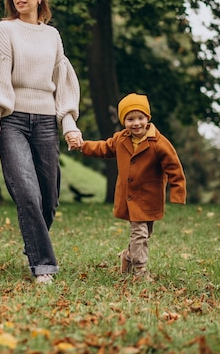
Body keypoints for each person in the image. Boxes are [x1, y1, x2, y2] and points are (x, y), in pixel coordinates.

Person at [0, 0, 83, 285]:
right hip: (13, 121)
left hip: (45, 123)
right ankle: (43, 266)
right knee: (26, 192)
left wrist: (69, 123)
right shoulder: (5, 30)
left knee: (48, 199)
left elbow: (62, 81)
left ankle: (34, 244)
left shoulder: (52, 36)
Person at [79, 93, 187, 280]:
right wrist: (83, 146)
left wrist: (178, 192)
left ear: (148, 119)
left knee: (146, 233)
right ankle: (140, 270)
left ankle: (127, 256)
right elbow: (104, 148)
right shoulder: (121, 139)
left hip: (149, 196)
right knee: (139, 234)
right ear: (123, 122)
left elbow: (174, 167)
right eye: (130, 119)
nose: (136, 123)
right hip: (129, 197)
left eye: (140, 118)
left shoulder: (159, 143)